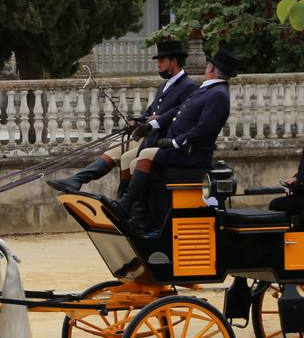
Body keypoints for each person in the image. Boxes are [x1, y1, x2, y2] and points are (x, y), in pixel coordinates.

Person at [101, 47, 239, 236]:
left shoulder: (218, 95)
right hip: (178, 147)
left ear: (212, 69)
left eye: (208, 64)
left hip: (191, 154)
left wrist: (176, 142)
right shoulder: (209, 89)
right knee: (131, 158)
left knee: (145, 156)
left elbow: (205, 128)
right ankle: (134, 216)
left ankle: (127, 207)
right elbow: (179, 112)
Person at [46, 40, 195, 195]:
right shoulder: (165, 85)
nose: (158, 65)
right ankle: (78, 181)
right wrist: (137, 120)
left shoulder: (188, 85)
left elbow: (179, 112)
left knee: (125, 156)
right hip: (150, 137)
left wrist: (155, 122)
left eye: (161, 61)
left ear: (174, 61)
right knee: (115, 148)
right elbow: (151, 110)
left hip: (162, 140)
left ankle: (121, 201)